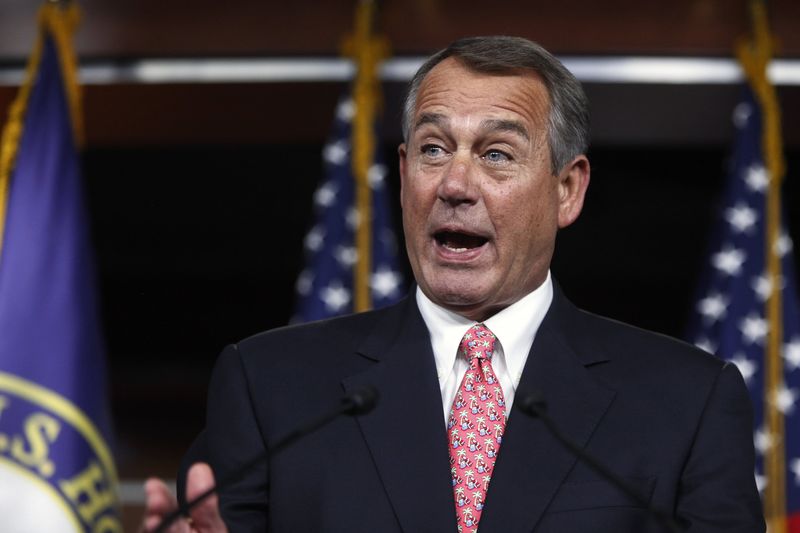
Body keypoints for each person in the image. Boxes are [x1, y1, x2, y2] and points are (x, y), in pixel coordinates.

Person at [142, 36, 765, 533]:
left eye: (496, 154)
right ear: (406, 172)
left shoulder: (688, 402)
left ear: (566, 189)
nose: (456, 184)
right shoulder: (270, 387)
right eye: (435, 149)